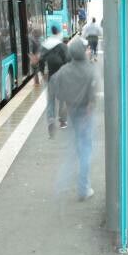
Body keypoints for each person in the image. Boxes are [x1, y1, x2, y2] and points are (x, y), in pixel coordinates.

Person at [49, 39, 97, 200]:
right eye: (86, 49)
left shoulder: (63, 71)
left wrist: (51, 117)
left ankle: (60, 187)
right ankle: (83, 188)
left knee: (74, 149)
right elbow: (92, 98)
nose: (88, 51)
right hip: (85, 115)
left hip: (72, 113)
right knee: (85, 150)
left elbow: (53, 88)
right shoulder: (89, 70)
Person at [40, 25, 70, 136]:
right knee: (63, 99)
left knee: (50, 100)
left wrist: (42, 72)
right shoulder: (62, 46)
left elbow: (41, 60)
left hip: (51, 76)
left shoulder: (45, 45)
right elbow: (68, 60)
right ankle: (62, 121)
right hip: (62, 77)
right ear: (59, 32)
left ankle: (51, 120)